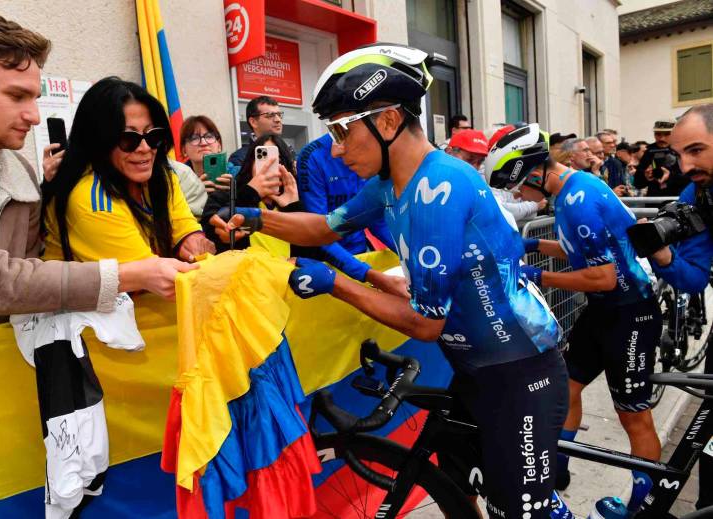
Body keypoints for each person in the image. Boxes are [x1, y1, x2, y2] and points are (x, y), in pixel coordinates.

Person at [212, 44, 568, 518]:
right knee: (466, 491)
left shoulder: (437, 190)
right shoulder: (390, 184)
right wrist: (254, 217)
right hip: (478, 371)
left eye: (342, 129)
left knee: (522, 512)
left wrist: (336, 284)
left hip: (521, 375)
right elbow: (322, 226)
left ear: (386, 122)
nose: (336, 148)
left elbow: (425, 325)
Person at [0, 11, 195, 334]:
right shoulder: (80, 194)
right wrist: (130, 274)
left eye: (34, 98)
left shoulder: (24, 178)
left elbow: (27, 280)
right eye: (16, 96)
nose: (33, 116)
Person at [517, 139, 661, 516]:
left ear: (537, 173)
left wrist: (539, 276)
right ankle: (558, 473)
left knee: (633, 415)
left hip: (631, 312)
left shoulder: (580, 200)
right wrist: (532, 244)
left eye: (520, 185)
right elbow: (577, 249)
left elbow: (603, 278)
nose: (519, 194)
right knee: (567, 387)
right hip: (604, 311)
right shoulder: (569, 191)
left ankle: (644, 506)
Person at [42, 77, 214, 263]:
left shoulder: (163, 176)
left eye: (153, 135)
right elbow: (151, 277)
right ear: (99, 141)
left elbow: (182, 223)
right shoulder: (92, 202)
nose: (145, 148)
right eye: (128, 139)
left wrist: (192, 240)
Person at [643, 104, 713, 510]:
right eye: (679, 153)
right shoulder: (698, 192)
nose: (685, 164)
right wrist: (664, 257)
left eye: (696, 150)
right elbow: (695, 279)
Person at [296, 132, 399, 284]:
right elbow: (318, 230)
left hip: (359, 252)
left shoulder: (371, 149)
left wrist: (410, 254)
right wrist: (368, 274)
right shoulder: (312, 156)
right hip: (324, 262)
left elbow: (376, 220)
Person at [201, 134, 301, 256]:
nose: (268, 166)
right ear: (250, 163)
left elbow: (310, 249)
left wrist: (293, 207)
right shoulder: (224, 195)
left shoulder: (298, 198)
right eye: (262, 159)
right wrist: (250, 193)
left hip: (288, 272)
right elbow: (213, 236)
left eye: (277, 161)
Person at [228, 95, 290, 169]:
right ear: (253, 122)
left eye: (279, 115)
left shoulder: (289, 151)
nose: (278, 120)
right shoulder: (240, 157)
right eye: (270, 115)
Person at [634, 119, 690, 196]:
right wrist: (645, 175)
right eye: (658, 134)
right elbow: (638, 184)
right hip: (655, 201)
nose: (661, 138)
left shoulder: (683, 149)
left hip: (679, 199)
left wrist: (671, 176)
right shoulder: (649, 151)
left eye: (667, 134)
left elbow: (692, 179)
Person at [180, 114, 231, 196]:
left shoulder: (239, 174)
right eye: (194, 138)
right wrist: (194, 197)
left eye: (209, 136)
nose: (203, 143)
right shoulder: (177, 181)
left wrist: (235, 190)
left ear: (219, 145)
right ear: (184, 150)